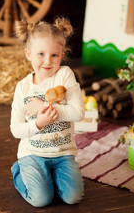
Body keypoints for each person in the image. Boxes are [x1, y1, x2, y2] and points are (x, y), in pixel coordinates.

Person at [10, 17, 85, 207]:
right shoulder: (23, 87)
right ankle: (19, 171)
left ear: (62, 55)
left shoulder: (65, 75)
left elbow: (78, 112)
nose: (47, 61)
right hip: (33, 153)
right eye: (41, 54)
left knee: (73, 197)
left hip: (62, 153)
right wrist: (38, 123)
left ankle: (51, 177)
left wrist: (44, 106)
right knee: (41, 200)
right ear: (28, 54)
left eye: (54, 55)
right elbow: (16, 130)